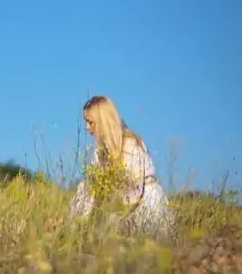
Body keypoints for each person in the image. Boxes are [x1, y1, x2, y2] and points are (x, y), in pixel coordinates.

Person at [69, 95, 175, 240]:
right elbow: (95, 186)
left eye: (90, 122)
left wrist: (110, 210)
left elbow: (134, 193)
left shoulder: (130, 144)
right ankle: (74, 228)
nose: (87, 128)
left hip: (145, 209)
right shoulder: (100, 151)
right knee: (86, 187)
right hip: (121, 207)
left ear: (103, 122)